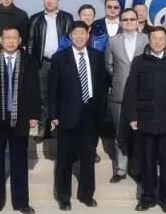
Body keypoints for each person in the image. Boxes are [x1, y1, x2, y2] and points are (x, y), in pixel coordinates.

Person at [0, 25, 40, 214]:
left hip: (20, 118)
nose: (11, 41)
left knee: (19, 162)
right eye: (7, 37)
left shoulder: (28, 61)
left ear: (20, 41)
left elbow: (34, 89)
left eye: (14, 38)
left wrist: (34, 114)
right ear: (0, 40)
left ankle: (21, 202)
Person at [124, 26, 166, 213]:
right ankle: (148, 197)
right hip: (146, 119)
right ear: (149, 41)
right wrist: (132, 116)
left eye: (161, 38)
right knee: (147, 162)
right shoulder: (139, 61)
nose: (158, 42)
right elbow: (131, 91)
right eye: (154, 38)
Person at [49, 21, 109, 211]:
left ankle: (86, 194)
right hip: (67, 114)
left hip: (90, 115)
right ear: (70, 36)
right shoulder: (59, 58)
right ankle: (64, 197)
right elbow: (52, 90)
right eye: (75, 33)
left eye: (83, 33)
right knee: (65, 159)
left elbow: (102, 86)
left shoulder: (97, 56)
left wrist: (101, 111)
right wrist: (54, 114)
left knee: (88, 158)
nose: (79, 37)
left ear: (88, 34)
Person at [104, 8, 148, 183]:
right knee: (120, 132)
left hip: (142, 94)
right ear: (120, 22)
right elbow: (109, 65)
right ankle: (121, 169)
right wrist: (119, 78)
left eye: (132, 19)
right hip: (120, 93)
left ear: (138, 21)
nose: (128, 22)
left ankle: (137, 168)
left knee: (140, 133)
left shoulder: (146, 39)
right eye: (125, 20)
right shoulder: (113, 41)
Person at [27, 0, 73, 137]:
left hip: (62, 63)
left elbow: (71, 39)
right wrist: (31, 62)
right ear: (43, 0)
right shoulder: (35, 19)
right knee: (43, 96)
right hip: (43, 63)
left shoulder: (67, 18)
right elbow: (30, 42)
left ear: (58, 0)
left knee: (62, 94)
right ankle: (43, 127)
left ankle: (60, 126)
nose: (49, 1)